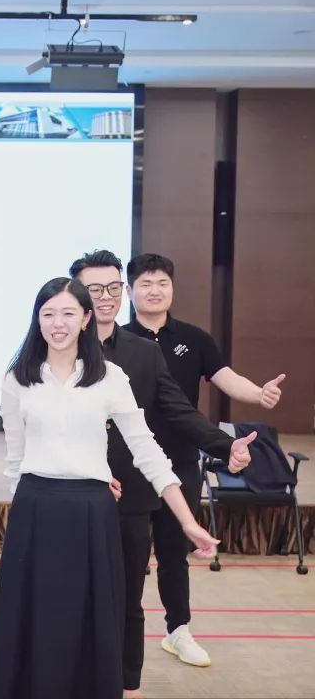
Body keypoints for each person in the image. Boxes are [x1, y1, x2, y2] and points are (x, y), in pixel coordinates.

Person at [0, 277, 220, 699]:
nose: (57, 323)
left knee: (89, 621)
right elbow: (16, 461)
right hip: (34, 511)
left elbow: (148, 452)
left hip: (92, 512)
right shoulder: (17, 379)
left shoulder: (110, 377)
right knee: (34, 619)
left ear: (86, 319)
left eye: (68, 313)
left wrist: (187, 521)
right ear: (37, 319)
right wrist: (24, 513)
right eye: (48, 314)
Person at [69, 250, 255, 699]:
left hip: (132, 493)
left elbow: (178, 410)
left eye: (113, 287)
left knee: (128, 598)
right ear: (77, 294)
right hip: (75, 492)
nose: (107, 297)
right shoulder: (60, 348)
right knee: (71, 594)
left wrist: (224, 444)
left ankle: (125, 684)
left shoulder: (144, 353)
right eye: (95, 289)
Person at [123, 252, 285, 668]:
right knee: (127, 556)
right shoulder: (118, 340)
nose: (155, 290)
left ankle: (178, 630)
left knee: (173, 552)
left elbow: (225, 377)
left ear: (172, 288)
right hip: (130, 464)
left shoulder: (193, 338)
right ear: (130, 291)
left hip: (179, 461)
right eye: (146, 283)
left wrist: (259, 394)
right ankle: (118, 632)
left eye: (162, 283)